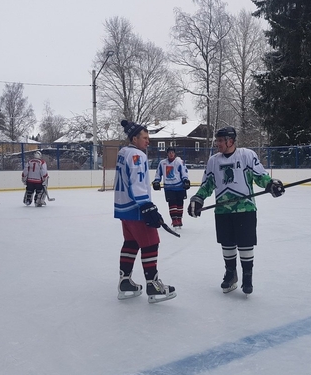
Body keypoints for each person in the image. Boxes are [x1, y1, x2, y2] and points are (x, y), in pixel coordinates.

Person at [187, 126, 285, 295]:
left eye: (220, 140)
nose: (217, 143)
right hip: (222, 211)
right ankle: (231, 273)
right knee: (227, 243)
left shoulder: (247, 155)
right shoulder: (213, 161)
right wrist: (198, 198)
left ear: (230, 141)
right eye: (217, 140)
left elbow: (260, 176)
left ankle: (248, 275)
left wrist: (270, 184)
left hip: (245, 209)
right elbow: (207, 184)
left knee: (245, 244)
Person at [114, 119, 176, 303]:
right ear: (134, 138)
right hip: (137, 207)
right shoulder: (137, 155)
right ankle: (153, 285)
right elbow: (137, 182)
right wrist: (147, 206)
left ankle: (125, 282)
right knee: (150, 243)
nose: (148, 141)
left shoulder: (123, 152)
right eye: (145, 138)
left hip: (123, 208)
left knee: (131, 243)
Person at [153, 147, 190, 229]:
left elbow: (184, 172)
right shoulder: (162, 163)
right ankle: (174, 219)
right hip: (169, 187)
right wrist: (156, 181)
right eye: (169, 152)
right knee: (172, 203)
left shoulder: (179, 162)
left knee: (180, 203)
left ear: (175, 153)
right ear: (167, 154)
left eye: (172, 152)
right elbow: (158, 173)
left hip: (179, 187)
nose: (171, 154)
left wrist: (186, 180)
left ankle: (179, 219)